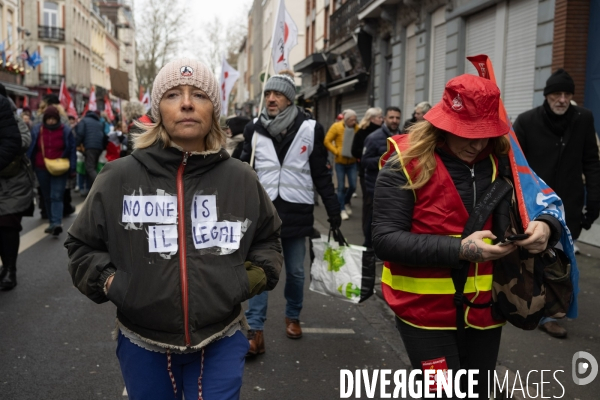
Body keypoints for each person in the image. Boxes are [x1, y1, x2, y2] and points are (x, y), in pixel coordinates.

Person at [65, 58, 283, 400]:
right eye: (173, 95)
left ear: (213, 109)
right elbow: (82, 246)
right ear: (158, 109)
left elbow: (268, 240)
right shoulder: (117, 177)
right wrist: (111, 282)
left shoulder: (241, 178)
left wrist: (245, 280)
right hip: (142, 343)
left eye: (199, 94)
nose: (186, 103)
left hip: (221, 338)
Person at [372, 74, 563, 398]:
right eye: (467, 133)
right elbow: (385, 239)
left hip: (486, 311)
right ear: (443, 124)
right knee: (441, 394)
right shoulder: (402, 162)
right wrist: (460, 250)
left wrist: (545, 226)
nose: (476, 144)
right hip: (423, 314)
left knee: (477, 393)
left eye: (485, 134)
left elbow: (543, 201)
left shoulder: (504, 160)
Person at [240, 69, 340, 354]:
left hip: (297, 212)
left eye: (278, 94)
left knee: (295, 272)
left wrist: (333, 211)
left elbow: (321, 174)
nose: (271, 99)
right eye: (268, 94)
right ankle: (255, 330)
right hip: (262, 212)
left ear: (290, 99)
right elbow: (242, 171)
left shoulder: (311, 128)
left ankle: (293, 316)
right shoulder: (253, 129)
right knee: (259, 269)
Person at [513, 68, 600, 339]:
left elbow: (591, 161)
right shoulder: (527, 121)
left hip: (569, 204)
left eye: (567, 94)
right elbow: (513, 163)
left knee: (560, 259)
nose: (562, 99)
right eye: (556, 94)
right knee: (537, 254)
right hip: (535, 202)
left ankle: (550, 310)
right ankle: (537, 307)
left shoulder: (583, 118)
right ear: (547, 96)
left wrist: (594, 201)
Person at [0, 88, 34, 290]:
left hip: (14, 181)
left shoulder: (14, 118)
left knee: (8, 226)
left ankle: (10, 269)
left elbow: (23, 140)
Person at [27, 106, 76, 236]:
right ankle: (52, 222)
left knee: (56, 195)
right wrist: (29, 166)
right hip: (41, 167)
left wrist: (73, 168)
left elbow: (72, 148)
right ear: (44, 119)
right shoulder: (37, 129)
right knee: (47, 195)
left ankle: (56, 223)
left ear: (57, 119)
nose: (51, 122)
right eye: (48, 119)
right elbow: (31, 148)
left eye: (53, 119)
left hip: (60, 168)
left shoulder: (65, 130)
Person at [361, 106, 401, 248]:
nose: (394, 120)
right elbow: (364, 161)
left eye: (397, 117)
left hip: (397, 189)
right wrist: (384, 159)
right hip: (375, 187)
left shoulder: (403, 137)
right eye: (391, 117)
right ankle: (368, 249)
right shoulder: (373, 137)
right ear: (385, 119)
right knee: (373, 220)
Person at [351, 107, 383, 247]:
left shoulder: (385, 133)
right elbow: (355, 151)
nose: (381, 119)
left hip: (381, 175)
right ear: (372, 118)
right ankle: (367, 237)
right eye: (379, 117)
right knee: (369, 204)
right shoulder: (363, 132)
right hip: (366, 174)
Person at [324, 109, 359, 220]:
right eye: (352, 120)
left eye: (355, 120)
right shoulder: (336, 127)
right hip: (340, 162)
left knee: (353, 186)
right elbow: (327, 141)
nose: (354, 122)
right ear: (346, 119)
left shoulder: (357, 129)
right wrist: (336, 151)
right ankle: (342, 208)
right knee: (340, 187)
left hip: (352, 162)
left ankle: (346, 201)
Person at [75, 109, 106, 190]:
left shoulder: (84, 121)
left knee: (90, 168)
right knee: (92, 167)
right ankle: (90, 189)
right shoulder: (99, 122)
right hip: (99, 147)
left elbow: (80, 133)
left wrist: (77, 144)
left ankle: (101, 185)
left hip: (89, 146)